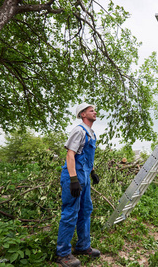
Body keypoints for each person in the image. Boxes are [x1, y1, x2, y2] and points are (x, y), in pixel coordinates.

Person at [56, 103, 101, 267]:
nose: (95, 112)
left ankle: (82, 246)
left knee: (85, 210)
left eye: (94, 110)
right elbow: (70, 154)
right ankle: (63, 254)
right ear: (83, 114)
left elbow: (86, 155)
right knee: (70, 212)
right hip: (73, 176)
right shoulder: (79, 130)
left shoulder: (92, 133)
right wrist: (74, 179)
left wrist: (93, 172)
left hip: (84, 176)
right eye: (91, 110)